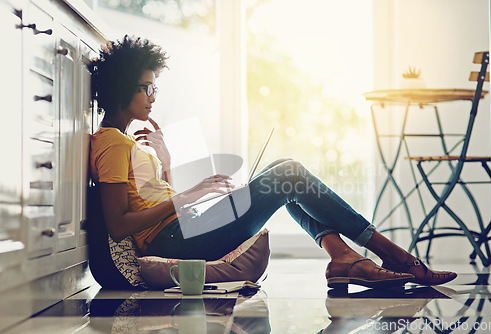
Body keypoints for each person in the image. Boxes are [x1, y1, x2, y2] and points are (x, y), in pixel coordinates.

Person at [89, 36, 457, 290]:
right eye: (148, 87)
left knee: (285, 171)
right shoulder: (111, 143)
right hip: (178, 241)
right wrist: (186, 196)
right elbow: (120, 226)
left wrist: (166, 163)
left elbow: (150, 200)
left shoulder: (123, 142)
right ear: (124, 87)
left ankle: (343, 255)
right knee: (288, 173)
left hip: (186, 228)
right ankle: (389, 253)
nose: (154, 96)